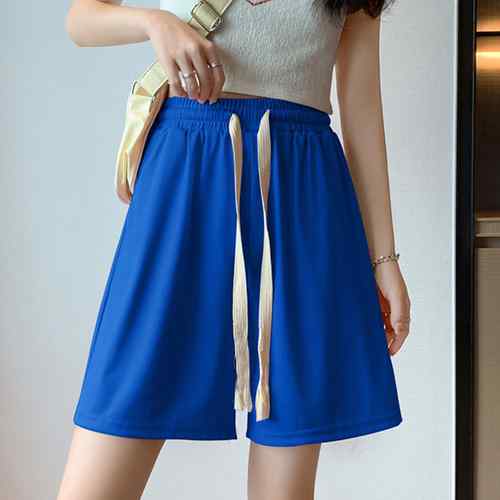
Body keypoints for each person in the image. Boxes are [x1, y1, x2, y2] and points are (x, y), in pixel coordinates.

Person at [58, 1, 411, 499]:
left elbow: (362, 109)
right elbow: (81, 19)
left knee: (286, 464)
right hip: (184, 180)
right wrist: (156, 23)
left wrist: (385, 259)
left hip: (302, 194)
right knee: (115, 420)